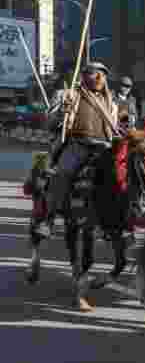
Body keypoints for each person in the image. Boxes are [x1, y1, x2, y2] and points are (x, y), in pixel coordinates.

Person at [33, 61, 120, 238]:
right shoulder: (69, 95)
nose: (99, 78)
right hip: (77, 144)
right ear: (83, 76)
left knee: (120, 178)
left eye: (102, 75)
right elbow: (49, 123)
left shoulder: (111, 102)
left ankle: (115, 223)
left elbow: (114, 128)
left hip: (103, 148)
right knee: (62, 174)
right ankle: (48, 220)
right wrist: (61, 112)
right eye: (94, 73)